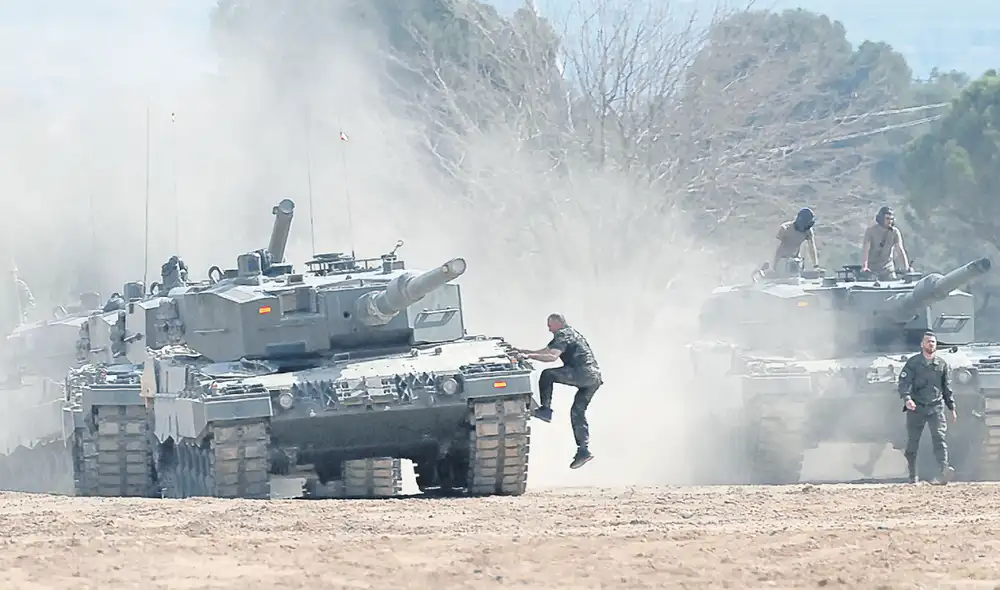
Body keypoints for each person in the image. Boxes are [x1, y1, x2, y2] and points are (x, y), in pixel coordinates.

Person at [514, 313, 602, 469]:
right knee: (577, 412)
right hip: (593, 378)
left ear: (558, 323)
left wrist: (528, 356)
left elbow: (552, 356)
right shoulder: (569, 334)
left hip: (582, 373)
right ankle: (583, 449)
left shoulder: (563, 334)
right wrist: (524, 352)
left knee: (547, 375)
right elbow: (547, 350)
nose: (549, 329)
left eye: (550, 325)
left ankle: (546, 410)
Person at [897, 331, 957, 485]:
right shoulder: (913, 363)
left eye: (933, 342)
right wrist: (907, 399)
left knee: (940, 438)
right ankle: (912, 476)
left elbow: (946, 388)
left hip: (935, 407)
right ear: (922, 344)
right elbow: (904, 383)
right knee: (912, 443)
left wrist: (951, 407)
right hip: (916, 407)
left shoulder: (942, 364)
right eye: (928, 341)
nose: (931, 344)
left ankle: (944, 471)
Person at [862, 206, 911, 280]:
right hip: (872, 270)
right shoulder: (871, 231)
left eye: (891, 219)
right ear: (881, 219)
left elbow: (900, 250)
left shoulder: (895, 232)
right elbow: (866, 250)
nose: (890, 221)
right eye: (887, 219)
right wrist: (865, 267)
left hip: (888, 269)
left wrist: (906, 267)